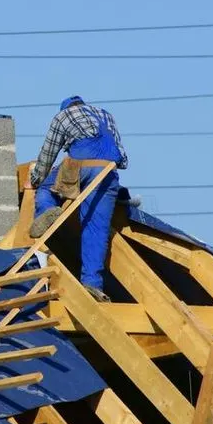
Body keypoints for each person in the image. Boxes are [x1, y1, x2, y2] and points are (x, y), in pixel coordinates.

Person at [29, 96, 128, 300]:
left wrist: (36, 178)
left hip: (79, 166)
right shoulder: (106, 114)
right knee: (95, 228)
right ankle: (92, 284)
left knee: (47, 188)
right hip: (108, 173)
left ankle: (48, 211)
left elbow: (48, 155)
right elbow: (123, 160)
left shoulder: (63, 116)